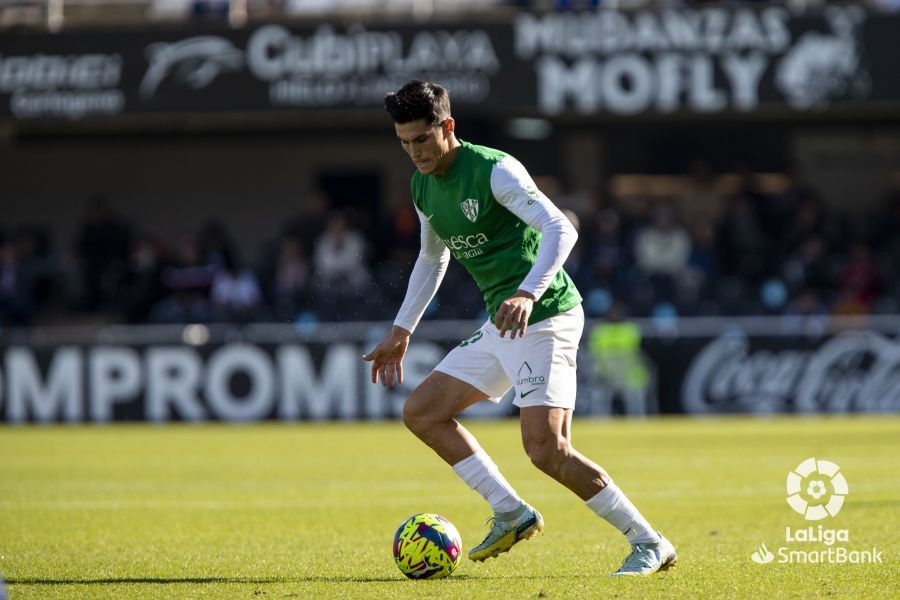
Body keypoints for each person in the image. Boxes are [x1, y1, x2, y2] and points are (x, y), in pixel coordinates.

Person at [363, 80, 676, 576]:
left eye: (421, 139)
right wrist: (403, 329)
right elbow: (430, 256)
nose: (414, 152)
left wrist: (528, 291)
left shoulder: (494, 170)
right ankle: (510, 512)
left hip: (546, 314)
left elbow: (562, 229)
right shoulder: (422, 186)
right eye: (404, 143)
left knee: (546, 450)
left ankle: (649, 542)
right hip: (503, 321)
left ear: (448, 127)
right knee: (421, 411)